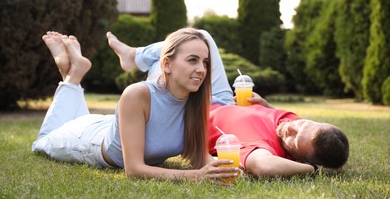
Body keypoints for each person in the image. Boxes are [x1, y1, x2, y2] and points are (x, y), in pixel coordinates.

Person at [107, 28, 349, 178]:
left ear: (298, 157)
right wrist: (266, 107)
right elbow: (292, 125)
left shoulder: (264, 149)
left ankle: (137, 58)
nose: (291, 127)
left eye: (295, 138)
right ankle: (135, 56)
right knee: (203, 37)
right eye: (302, 123)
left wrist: (314, 170)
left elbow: (263, 167)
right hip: (223, 99)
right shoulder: (291, 123)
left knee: (184, 63)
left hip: (197, 102)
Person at [32, 29, 240, 182]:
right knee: (41, 142)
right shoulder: (138, 94)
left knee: (74, 115)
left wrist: (222, 168)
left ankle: (73, 71)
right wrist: (195, 177)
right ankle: (72, 76)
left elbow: (199, 157)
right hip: (87, 141)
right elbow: (134, 170)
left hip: (117, 125)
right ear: (166, 65)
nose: (202, 69)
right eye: (192, 60)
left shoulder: (197, 99)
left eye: (204, 62)